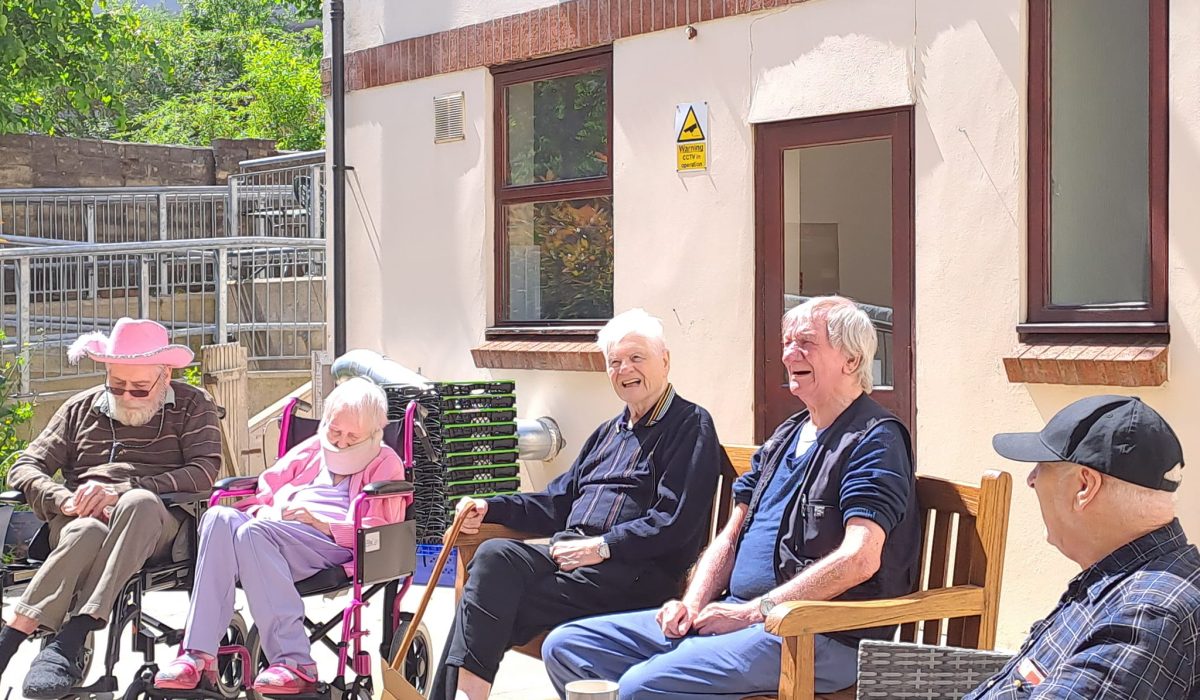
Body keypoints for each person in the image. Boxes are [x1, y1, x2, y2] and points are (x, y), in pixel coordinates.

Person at [542, 295, 921, 698]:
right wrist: (691, 604)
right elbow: (730, 536)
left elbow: (860, 558)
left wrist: (754, 613)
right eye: (787, 342)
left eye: (806, 342)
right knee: (568, 647)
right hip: (739, 618)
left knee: (642, 686)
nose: (790, 352)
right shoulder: (785, 435)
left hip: (812, 634)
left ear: (850, 360)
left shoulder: (874, 440)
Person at [431, 308, 722, 700]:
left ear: (665, 360)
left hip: (634, 573)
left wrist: (602, 547)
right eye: (615, 362)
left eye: (637, 358)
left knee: (485, 602)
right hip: (570, 560)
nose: (625, 370)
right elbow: (557, 502)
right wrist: (491, 508)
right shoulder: (609, 432)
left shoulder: (690, 424)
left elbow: (674, 522)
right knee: (495, 556)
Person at [0, 318, 222, 698]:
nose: (126, 396)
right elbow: (23, 466)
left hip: (156, 525)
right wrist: (62, 499)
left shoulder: (192, 405)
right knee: (87, 530)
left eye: (139, 388)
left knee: (137, 503)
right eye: (117, 385)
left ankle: (74, 634)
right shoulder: (80, 408)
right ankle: (17, 639)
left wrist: (124, 491)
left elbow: (204, 471)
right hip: (81, 521)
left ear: (165, 374)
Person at [153, 377, 407, 695]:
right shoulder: (315, 447)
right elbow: (270, 481)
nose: (340, 442)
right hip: (275, 531)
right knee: (218, 517)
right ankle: (199, 656)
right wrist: (275, 508)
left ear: (372, 433)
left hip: (331, 544)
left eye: (352, 436)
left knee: (253, 532)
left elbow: (378, 528)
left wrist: (322, 524)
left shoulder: (386, 461)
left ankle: (296, 662)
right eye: (335, 431)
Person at [962, 395, 1199, 699]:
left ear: (1085, 487)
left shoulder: (1143, 615)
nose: (1031, 479)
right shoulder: (1120, 578)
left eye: (1042, 466)